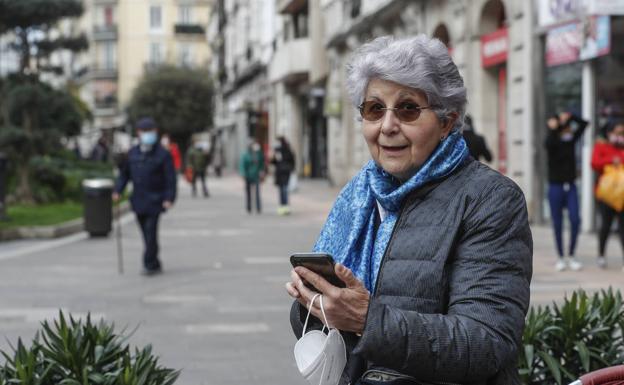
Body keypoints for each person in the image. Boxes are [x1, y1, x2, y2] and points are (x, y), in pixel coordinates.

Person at [285, 35, 532, 385]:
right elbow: (317, 327)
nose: (387, 126)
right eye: (374, 109)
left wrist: (366, 320)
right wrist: (313, 301)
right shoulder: (358, 196)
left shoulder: (490, 199)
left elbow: (486, 342)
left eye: (408, 109)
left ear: (447, 121)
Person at [113, 117, 176, 275]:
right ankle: (154, 261)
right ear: (139, 133)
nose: (148, 134)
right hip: (139, 200)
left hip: (155, 200)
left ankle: (149, 263)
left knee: (151, 231)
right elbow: (124, 175)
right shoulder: (132, 153)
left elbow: (170, 178)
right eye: (145, 131)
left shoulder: (163, 154)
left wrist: (169, 198)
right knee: (145, 234)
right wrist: (117, 191)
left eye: (151, 131)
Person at [545, 112, 587, 272]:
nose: (568, 131)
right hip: (555, 186)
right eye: (565, 128)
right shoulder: (552, 141)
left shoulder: (570, 142)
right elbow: (549, 142)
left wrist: (569, 116)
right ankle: (561, 257)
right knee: (557, 223)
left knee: (575, 220)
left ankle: (572, 254)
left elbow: (584, 124)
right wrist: (555, 127)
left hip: (571, 187)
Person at [591, 121, 624, 270]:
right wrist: (611, 160)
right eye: (616, 133)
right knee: (605, 225)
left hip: (622, 195)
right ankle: (601, 255)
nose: (619, 136)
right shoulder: (601, 146)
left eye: (621, 133)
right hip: (606, 194)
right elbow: (594, 163)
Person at [270, 136, 295, 215]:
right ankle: (282, 207)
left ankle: (285, 207)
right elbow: (273, 162)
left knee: (284, 189)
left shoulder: (287, 150)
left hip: (285, 172)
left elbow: (292, 161)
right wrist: (273, 157)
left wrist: (290, 168)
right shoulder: (277, 151)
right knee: (282, 190)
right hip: (280, 173)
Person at [239, 140, 265, 214]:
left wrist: (262, 171)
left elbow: (262, 163)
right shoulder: (245, 155)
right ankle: (249, 207)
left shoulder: (258, 154)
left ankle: (258, 207)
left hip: (256, 175)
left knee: (257, 192)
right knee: (248, 193)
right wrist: (243, 174)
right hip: (248, 176)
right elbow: (242, 165)